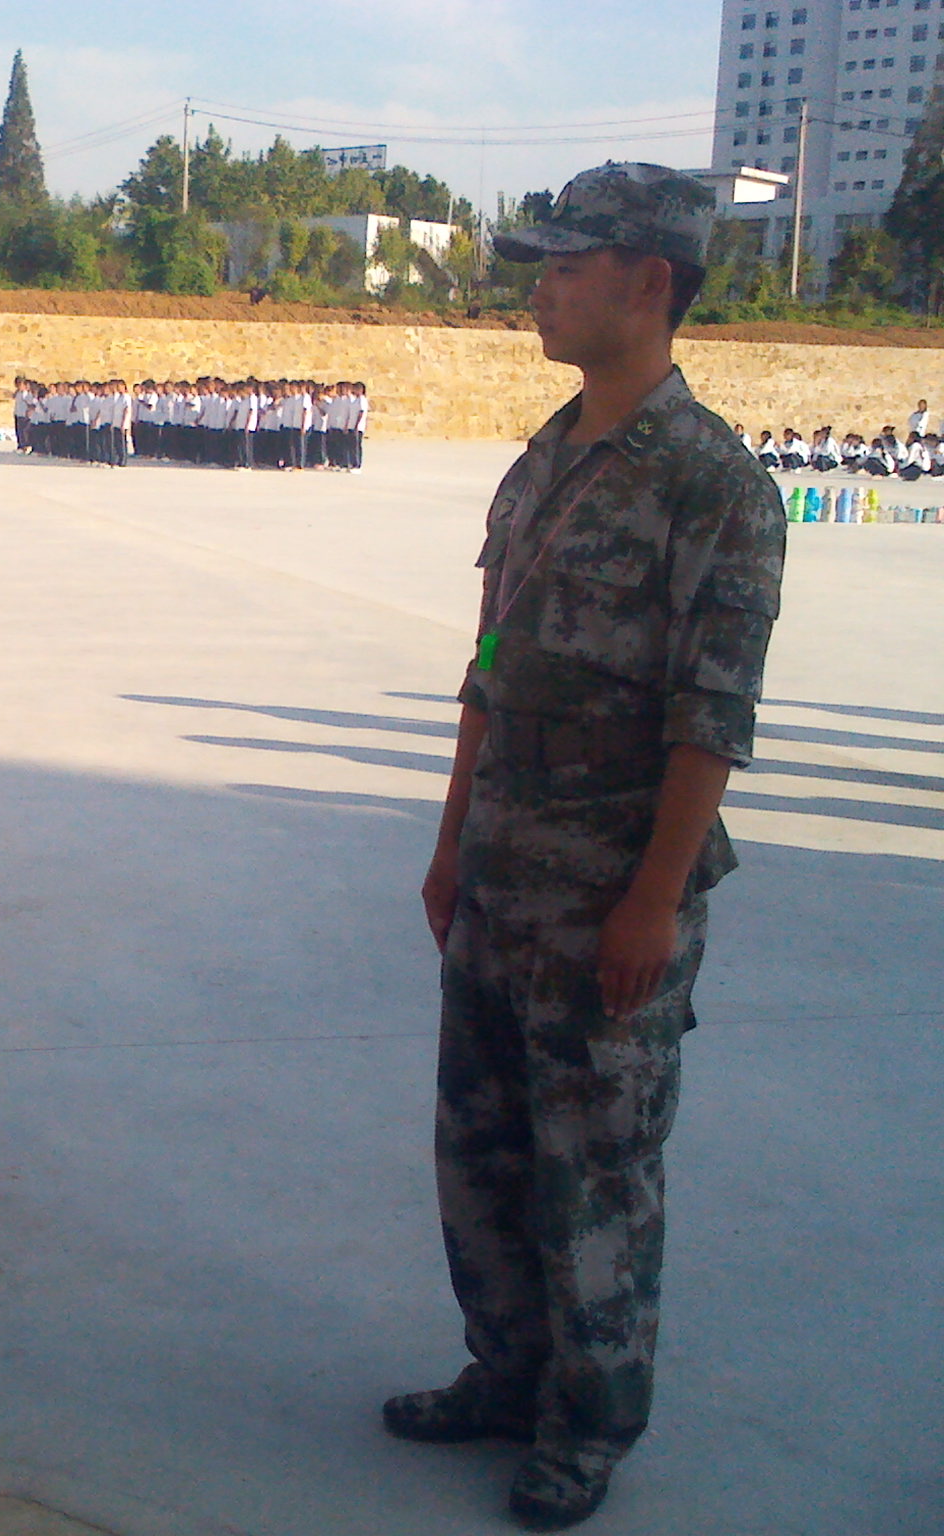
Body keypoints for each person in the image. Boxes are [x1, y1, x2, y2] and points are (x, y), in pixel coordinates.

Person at [391, 163, 783, 1532]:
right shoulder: (543, 463)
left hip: (608, 889)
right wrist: (451, 840)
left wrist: (652, 902)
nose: (541, 290)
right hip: (501, 874)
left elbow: (710, 716)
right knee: (482, 1151)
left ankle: (588, 1421)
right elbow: (489, 664)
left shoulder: (712, 485)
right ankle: (505, 1374)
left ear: (649, 282)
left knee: (595, 1171)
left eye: (568, 265)